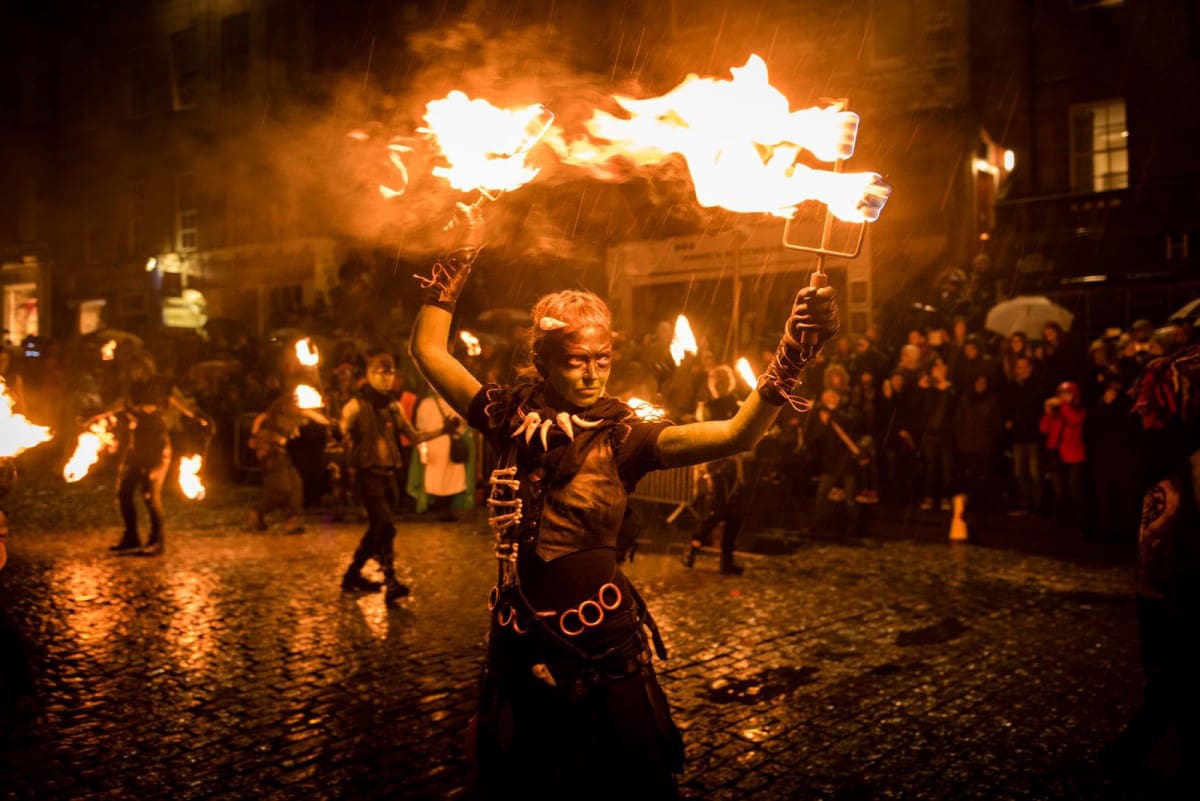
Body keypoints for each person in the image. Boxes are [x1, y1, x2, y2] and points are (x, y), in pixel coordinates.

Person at [409, 205, 838, 799]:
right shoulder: (508, 416)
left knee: (626, 786)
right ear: (544, 362)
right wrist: (458, 257)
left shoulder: (626, 435)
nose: (592, 374)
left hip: (601, 641)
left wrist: (793, 354)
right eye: (576, 361)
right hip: (516, 635)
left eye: (602, 359)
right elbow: (430, 354)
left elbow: (737, 434)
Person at [1102, 346, 1200, 793]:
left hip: (1171, 586)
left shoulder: (1175, 448)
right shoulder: (1166, 448)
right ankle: (1131, 753)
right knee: (1172, 682)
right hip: (1167, 585)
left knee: (1173, 682)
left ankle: (1131, 753)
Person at [339, 350, 457, 605]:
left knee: (378, 529)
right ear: (370, 375)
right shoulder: (355, 405)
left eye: (390, 373)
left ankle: (351, 576)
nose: (386, 379)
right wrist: (339, 434)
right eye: (381, 374)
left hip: (389, 477)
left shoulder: (393, 406)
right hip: (367, 476)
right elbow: (340, 435)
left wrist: (442, 430)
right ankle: (390, 581)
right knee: (386, 527)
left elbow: (413, 437)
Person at [103, 356, 208, 556]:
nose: (132, 373)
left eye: (136, 369)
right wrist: (97, 415)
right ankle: (131, 536)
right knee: (124, 491)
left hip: (156, 446)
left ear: (144, 369)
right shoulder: (133, 389)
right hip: (136, 447)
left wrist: (197, 417)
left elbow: (177, 401)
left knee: (150, 494)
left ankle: (157, 540)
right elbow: (120, 405)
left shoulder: (160, 386)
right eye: (131, 369)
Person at [683, 365, 746, 574]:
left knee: (729, 513)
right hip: (721, 466)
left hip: (721, 465)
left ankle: (719, 559)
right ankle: (697, 548)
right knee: (724, 511)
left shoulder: (719, 407)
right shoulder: (729, 407)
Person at [248, 389, 330, 535]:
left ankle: (293, 520)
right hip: (271, 453)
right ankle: (257, 511)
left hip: (281, 453)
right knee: (282, 489)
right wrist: (254, 436)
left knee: (296, 485)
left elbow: (321, 420)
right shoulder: (284, 414)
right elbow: (261, 419)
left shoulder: (289, 415)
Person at [410, 392, 473, 521]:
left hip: (433, 444)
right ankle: (446, 509)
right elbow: (462, 427)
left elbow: (420, 427)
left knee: (435, 478)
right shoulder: (455, 403)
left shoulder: (425, 404)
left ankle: (441, 508)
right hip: (451, 445)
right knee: (450, 478)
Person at [1003, 356, 1046, 515]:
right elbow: (1009, 405)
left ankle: (1039, 502)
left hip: (1032, 435)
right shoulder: (1013, 387)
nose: (1019, 370)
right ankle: (1027, 502)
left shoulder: (1036, 386)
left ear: (1029, 368)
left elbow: (1032, 406)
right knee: (1019, 472)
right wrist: (1009, 419)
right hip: (1018, 436)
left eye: (1023, 367)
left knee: (1035, 472)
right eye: (1017, 367)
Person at [1040, 381, 1086, 526]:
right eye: (1061, 394)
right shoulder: (1057, 412)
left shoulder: (1079, 410)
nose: (1064, 397)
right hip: (1056, 456)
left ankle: (1077, 520)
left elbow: (1074, 421)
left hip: (1073, 456)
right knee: (1059, 491)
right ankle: (1062, 520)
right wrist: (1047, 412)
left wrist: (1063, 405)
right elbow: (1043, 429)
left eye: (1067, 393)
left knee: (1074, 490)